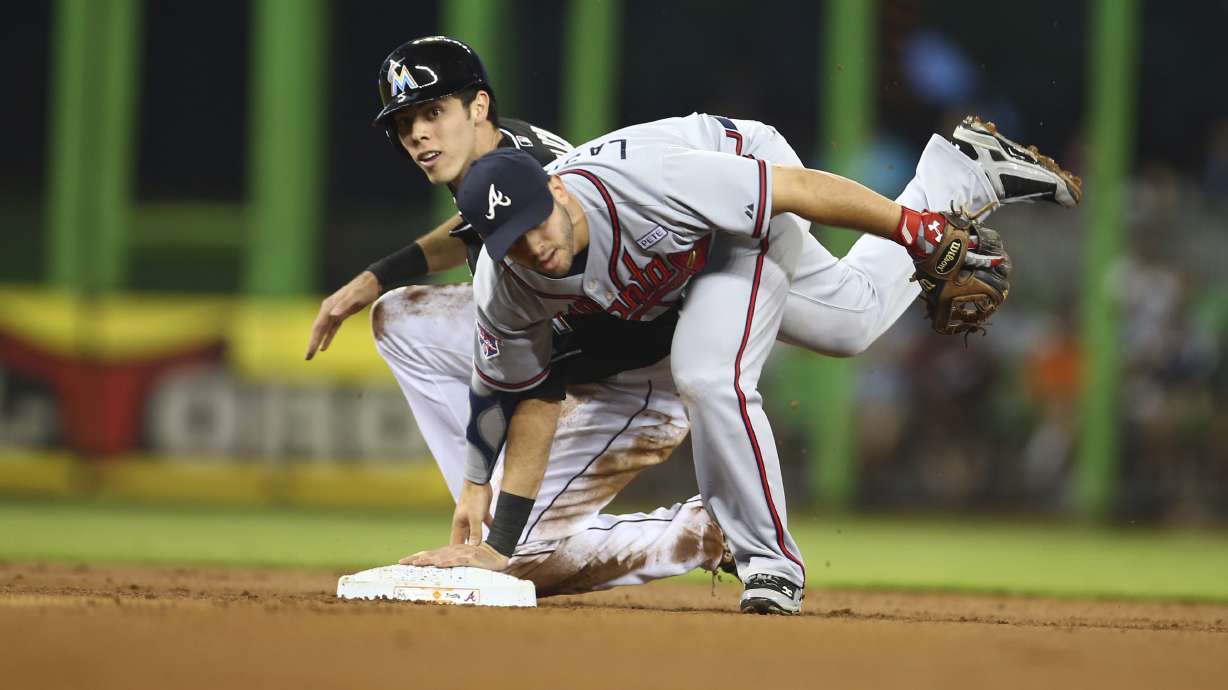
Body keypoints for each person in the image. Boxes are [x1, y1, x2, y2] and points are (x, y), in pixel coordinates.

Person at [400, 111, 1078, 615]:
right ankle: (959, 172)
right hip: (695, 247)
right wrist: (501, 541)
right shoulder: (509, 279)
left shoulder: (641, 186)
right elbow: (534, 398)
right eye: (511, 241)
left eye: (536, 223)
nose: (533, 246)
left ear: (560, 194)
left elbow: (796, 190)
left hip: (740, 186)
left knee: (707, 372)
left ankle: (770, 564)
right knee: (850, 321)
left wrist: (914, 232)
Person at [307, 36, 729, 595]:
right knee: (400, 318)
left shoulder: (533, 172)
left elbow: (542, 380)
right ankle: (479, 507)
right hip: (579, 353)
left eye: (433, 112)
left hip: (639, 376)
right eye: (405, 123)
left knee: (516, 560)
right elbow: (474, 230)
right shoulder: (502, 158)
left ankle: (705, 531)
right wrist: (378, 275)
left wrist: (499, 530)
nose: (419, 135)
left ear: (477, 106)